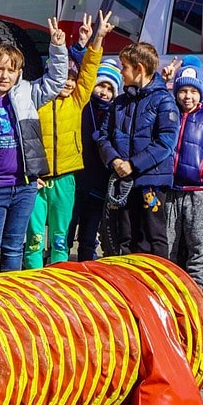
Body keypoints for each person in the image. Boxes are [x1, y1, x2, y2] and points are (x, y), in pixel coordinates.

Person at [0, 17, 68, 276]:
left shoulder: (28, 93)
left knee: (14, 247)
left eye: (11, 70)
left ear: (19, 73)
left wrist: (57, 47)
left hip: (24, 187)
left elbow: (55, 81)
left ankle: (9, 303)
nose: (4, 75)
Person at [25, 10, 114, 268]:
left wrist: (97, 39)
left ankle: (58, 283)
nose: (68, 83)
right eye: (63, 78)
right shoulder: (36, 101)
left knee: (60, 239)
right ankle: (32, 283)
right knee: (33, 239)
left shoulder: (77, 102)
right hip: (37, 180)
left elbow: (89, 71)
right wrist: (31, 173)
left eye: (72, 79)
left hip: (65, 177)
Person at [97, 42, 181, 258]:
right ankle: (129, 286)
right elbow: (103, 136)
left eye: (124, 66)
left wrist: (134, 164)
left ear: (139, 68)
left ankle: (158, 285)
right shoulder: (120, 102)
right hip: (123, 182)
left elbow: (166, 141)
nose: (121, 72)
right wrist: (114, 160)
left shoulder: (163, 101)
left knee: (153, 236)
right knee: (124, 236)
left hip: (149, 182)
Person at [164, 56, 203, 289]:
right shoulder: (168, 113)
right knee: (168, 243)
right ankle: (168, 290)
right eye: (183, 90)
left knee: (199, 243)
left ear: (201, 92)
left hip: (198, 192)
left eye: (193, 91)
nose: (187, 96)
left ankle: (196, 289)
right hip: (170, 192)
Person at [71, 58, 122, 261]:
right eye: (101, 85)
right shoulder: (83, 105)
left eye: (110, 88)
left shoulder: (114, 112)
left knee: (89, 236)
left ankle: (86, 272)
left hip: (99, 183)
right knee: (66, 232)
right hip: (77, 180)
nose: (104, 92)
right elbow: (82, 69)